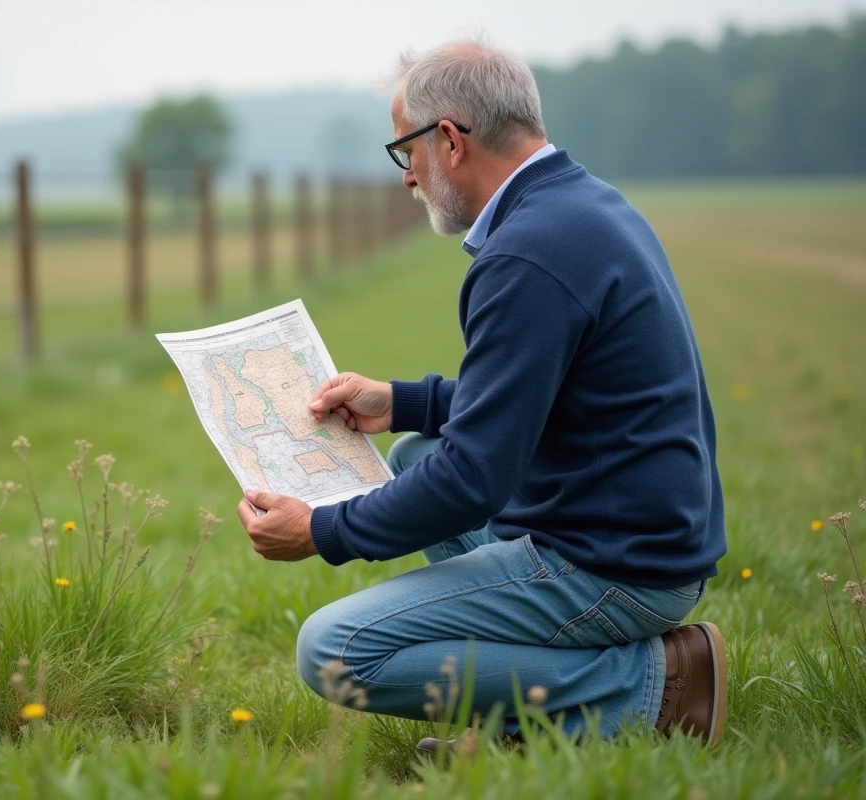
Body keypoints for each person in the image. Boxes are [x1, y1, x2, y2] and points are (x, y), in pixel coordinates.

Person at [234, 37, 729, 749]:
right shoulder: (580, 205)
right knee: (413, 453)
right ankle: (544, 717)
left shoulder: (528, 253)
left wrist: (321, 532)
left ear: (449, 140)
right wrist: (405, 401)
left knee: (334, 650)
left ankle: (648, 689)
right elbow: (545, 392)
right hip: (639, 533)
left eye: (406, 152)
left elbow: (473, 479)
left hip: (617, 565)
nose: (407, 177)